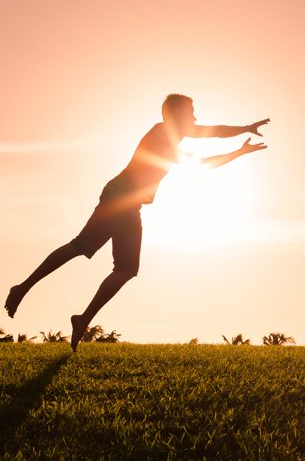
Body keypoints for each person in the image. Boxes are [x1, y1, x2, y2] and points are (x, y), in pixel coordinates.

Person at [4, 94, 269, 351]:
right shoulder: (161, 133)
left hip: (130, 203)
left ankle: (82, 319)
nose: (195, 117)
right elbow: (204, 151)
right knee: (82, 247)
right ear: (177, 113)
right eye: (191, 112)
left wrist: (243, 134)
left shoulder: (172, 138)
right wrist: (239, 147)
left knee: (126, 268)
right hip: (120, 196)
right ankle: (24, 288)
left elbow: (213, 133)